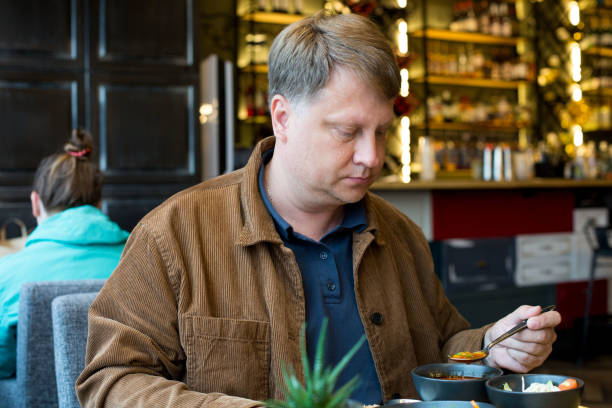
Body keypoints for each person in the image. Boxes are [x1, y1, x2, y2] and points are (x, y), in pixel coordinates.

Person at [76, 10, 560, 407]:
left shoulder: (400, 235)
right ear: (283, 117)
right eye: (347, 132)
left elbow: (442, 347)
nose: (373, 157)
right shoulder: (176, 234)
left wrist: (495, 345)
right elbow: (109, 381)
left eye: (382, 131)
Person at [0, 129, 129, 378]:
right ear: (99, 204)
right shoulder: (141, 262)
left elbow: (3, 364)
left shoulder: (7, 274)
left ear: (35, 203)